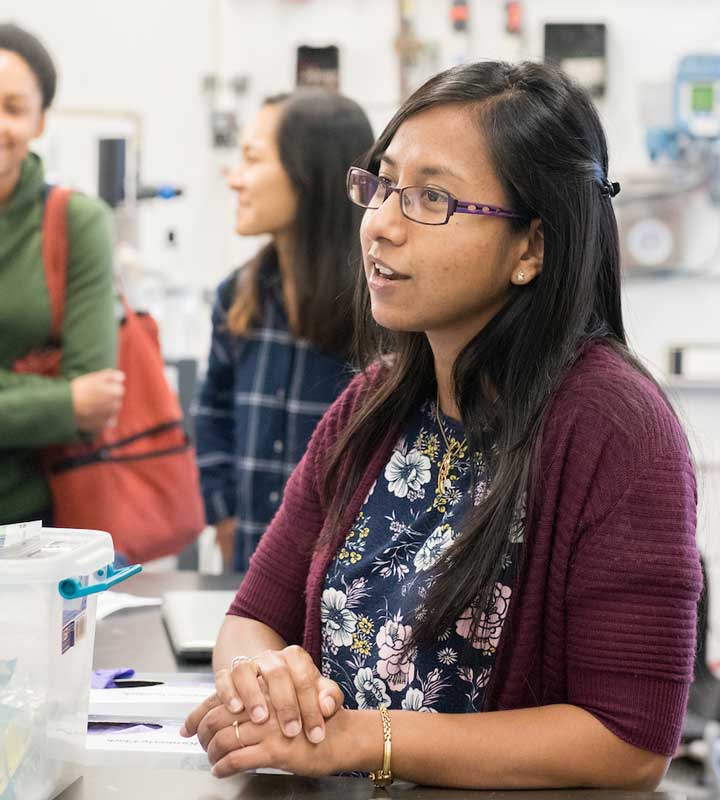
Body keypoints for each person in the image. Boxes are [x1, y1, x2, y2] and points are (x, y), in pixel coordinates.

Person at [182, 61, 702, 789]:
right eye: (382, 184)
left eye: (433, 197)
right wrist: (262, 678)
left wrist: (365, 739)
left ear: (531, 248)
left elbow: (630, 742)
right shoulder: (373, 404)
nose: (383, 225)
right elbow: (253, 615)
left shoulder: (615, 430)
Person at [193, 90, 374, 571]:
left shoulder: (381, 312)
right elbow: (212, 408)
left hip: (344, 587)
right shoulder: (238, 295)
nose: (234, 180)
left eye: (252, 159)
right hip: (250, 568)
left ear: (308, 173)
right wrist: (224, 515)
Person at [0, 23, 123, 526]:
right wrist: (61, 402)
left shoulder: (76, 222)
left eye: (12, 108)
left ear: (40, 122)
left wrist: (78, 402)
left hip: (37, 529)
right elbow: (75, 399)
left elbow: (94, 399)